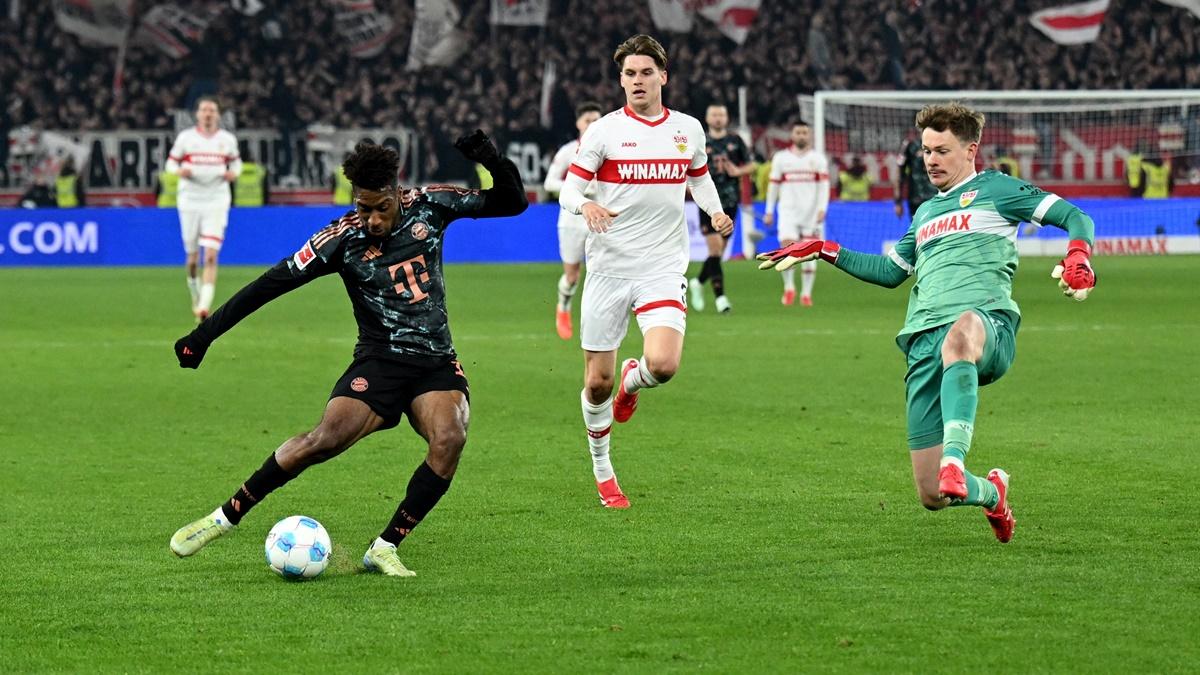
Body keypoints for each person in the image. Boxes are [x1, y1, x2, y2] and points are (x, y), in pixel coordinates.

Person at [168, 132, 528, 576]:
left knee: (450, 437)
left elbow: (513, 202)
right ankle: (222, 518)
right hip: (379, 361)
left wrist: (490, 158)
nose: (373, 219)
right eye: (363, 208)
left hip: (434, 362)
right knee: (322, 441)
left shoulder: (432, 205)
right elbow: (269, 285)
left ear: (398, 194)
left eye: (382, 207)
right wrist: (203, 336)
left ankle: (385, 546)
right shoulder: (339, 239)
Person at [757, 102, 1098, 544]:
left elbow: (1077, 217)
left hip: (985, 323)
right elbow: (889, 272)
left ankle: (955, 459)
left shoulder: (998, 189)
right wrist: (824, 248)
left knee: (960, 338)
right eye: (925, 151)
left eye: (941, 150)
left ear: (971, 149)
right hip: (921, 343)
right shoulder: (923, 215)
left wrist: (1078, 255)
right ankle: (991, 493)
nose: (931, 160)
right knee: (932, 494)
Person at [557, 34, 732, 508]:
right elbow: (567, 191)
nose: (637, 81)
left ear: (663, 77)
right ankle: (603, 469)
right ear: (621, 80)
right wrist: (586, 205)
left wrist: (714, 212)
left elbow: (699, 176)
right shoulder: (605, 132)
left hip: (661, 265)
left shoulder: (688, 129)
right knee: (597, 383)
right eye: (629, 74)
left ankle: (636, 382)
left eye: (645, 73)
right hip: (610, 269)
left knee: (664, 365)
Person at [166, 96, 242, 321]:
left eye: (212, 110)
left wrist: (233, 173)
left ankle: (203, 308)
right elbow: (170, 163)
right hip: (190, 199)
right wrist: (179, 171)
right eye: (204, 110)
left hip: (216, 199)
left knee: (210, 256)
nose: (208, 114)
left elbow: (236, 163)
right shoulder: (186, 138)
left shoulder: (226, 140)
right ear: (198, 114)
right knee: (192, 259)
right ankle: (193, 286)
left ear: (217, 115)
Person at [544, 101, 604, 339]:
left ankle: (596, 319)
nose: (592, 124)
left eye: (596, 120)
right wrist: (579, 189)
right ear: (579, 123)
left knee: (600, 272)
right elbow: (549, 183)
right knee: (572, 276)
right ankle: (564, 306)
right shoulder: (568, 152)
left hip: (599, 220)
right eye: (588, 120)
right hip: (571, 220)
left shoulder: (609, 151)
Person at [688, 103, 753, 314]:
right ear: (707, 118)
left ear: (726, 118)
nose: (718, 118)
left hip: (730, 202)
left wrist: (738, 171)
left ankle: (698, 282)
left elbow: (752, 164)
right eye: (714, 114)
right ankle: (721, 299)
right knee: (714, 250)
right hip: (707, 203)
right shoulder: (700, 140)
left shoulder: (735, 141)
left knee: (719, 254)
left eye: (721, 114)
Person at [763, 122, 829, 306]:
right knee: (787, 248)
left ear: (809, 136)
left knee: (809, 253)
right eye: (798, 132)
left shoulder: (818, 159)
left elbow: (824, 187)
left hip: (811, 213)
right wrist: (769, 210)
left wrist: (823, 208)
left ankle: (806, 294)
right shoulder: (781, 158)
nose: (801, 135)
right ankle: (789, 287)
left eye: (805, 132)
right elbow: (773, 186)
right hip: (788, 212)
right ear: (792, 135)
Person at [894, 129, 937, 221]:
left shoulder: (942, 145)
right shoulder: (910, 146)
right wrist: (898, 202)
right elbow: (900, 174)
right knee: (918, 232)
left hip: (936, 199)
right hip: (916, 200)